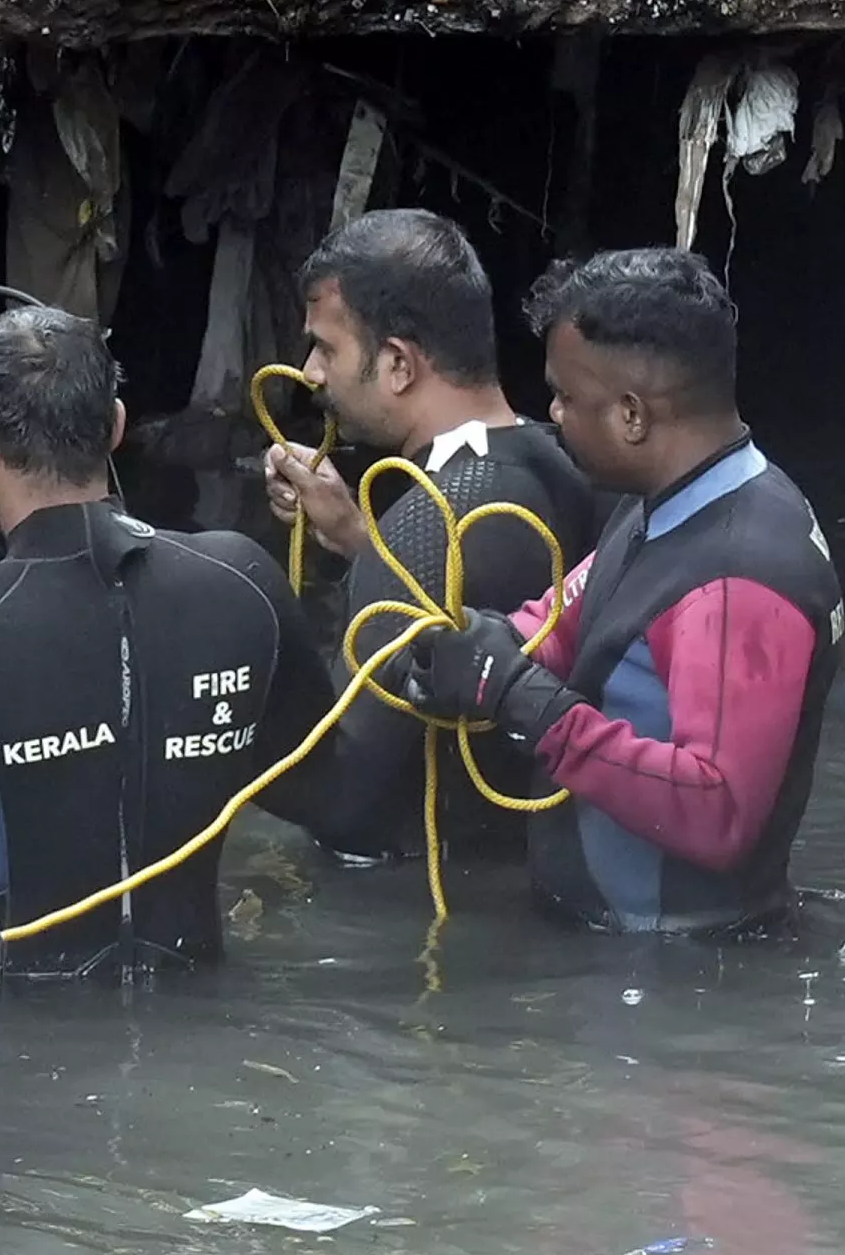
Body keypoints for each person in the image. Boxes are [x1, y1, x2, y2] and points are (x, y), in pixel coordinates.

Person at [384, 248, 844, 935]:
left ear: (632, 415)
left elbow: (717, 810)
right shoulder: (668, 498)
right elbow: (571, 618)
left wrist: (520, 700)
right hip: (604, 940)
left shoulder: (738, 578)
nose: (555, 412)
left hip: (677, 972)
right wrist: (472, 649)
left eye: (568, 396)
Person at [0, 306, 303, 972]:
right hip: (202, 1001)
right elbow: (350, 804)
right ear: (118, 426)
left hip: (21, 1020)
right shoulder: (242, 580)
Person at [255, 213, 601, 871]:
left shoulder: (428, 524)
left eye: (326, 348)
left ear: (397, 363)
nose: (310, 372)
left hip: (423, 887)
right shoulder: (559, 460)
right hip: (521, 853)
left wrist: (220, 720)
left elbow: (347, 802)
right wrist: (362, 541)